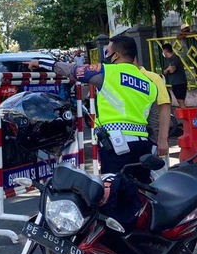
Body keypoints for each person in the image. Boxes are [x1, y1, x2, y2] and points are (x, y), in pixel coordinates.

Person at [54, 35, 159, 175]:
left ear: (116, 55)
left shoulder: (106, 72)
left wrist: (49, 64)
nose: (106, 56)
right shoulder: (150, 84)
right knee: (140, 193)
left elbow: (74, 70)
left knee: (115, 193)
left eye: (108, 53)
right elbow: (154, 122)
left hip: (118, 147)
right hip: (144, 148)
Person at [135, 56, 170, 159]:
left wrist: (163, 139)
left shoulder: (152, 78)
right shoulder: (117, 78)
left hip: (152, 138)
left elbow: (164, 108)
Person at [162, 43, 188, 108]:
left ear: (165, 51)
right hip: (174, 83)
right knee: (179, 101)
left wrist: (168, 69)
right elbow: (165, 71)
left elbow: (172, 70)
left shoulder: (175, 58)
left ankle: (186, 115)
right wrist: (168, 69)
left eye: (163, 51)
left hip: (180, 83)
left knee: (181, 101)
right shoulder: (167, 60)